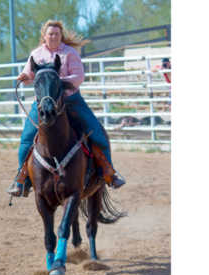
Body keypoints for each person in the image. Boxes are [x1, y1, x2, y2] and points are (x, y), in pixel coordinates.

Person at [7, 20, 125, 197]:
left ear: (61, 36)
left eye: (56, 33)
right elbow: (30, 75)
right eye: (50, 33)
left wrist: (58, 84)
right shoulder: (36, 54)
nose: (53, 36)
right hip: (43, 103)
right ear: (44, 36)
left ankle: (108, 172)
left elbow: (78, 77)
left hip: (70, 100)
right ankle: (21, 179)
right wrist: (24, 76)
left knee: (97, 132)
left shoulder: (69, 53)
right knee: (27, 138)